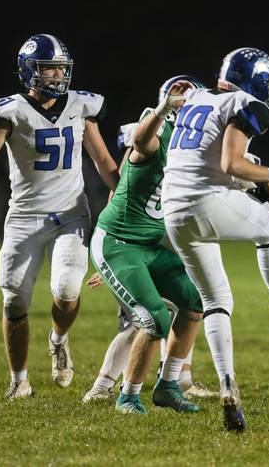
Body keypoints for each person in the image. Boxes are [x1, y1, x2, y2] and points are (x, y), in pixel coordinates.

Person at [0, 34, 119, 399]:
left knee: (66, 290)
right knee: (14, 300)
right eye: (49, 67)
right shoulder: (9, 111)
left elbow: (105, 163)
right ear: (29, 70)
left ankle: (59, 340)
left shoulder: (82, 106)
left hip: (71, 215)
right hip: (25, 217)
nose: (57, 75)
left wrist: (128, 197)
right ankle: (19, 379)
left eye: (61, 67)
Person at [159, 48, 269, 432]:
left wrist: (260, 179)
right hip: (203, 200)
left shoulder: (196, 96)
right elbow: (232, 163)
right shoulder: (246, 103)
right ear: (260, 80)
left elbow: (213, 164)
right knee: (268, 226)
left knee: (217, 301)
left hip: (172, 209)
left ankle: (228, 385)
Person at [87, 76, 212, 414]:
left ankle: (169, 384)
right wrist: (162, 110)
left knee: (194, 300)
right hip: (118, 244)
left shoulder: (193, 148)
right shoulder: (157, 136)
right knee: (153, 318)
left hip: (150, 245)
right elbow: (141, 142)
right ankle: (127, 395)